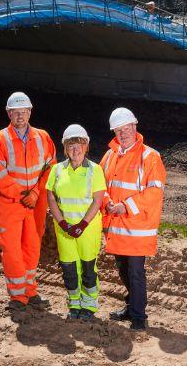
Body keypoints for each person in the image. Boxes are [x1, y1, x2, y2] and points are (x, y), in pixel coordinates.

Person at [0, 92, 56, 319]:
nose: (20, 116)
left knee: (32, 247)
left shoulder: (43, 137)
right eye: (16, 112)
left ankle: (30, 291)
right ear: (9, 114)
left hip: (35, 203)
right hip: (10, 204)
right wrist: (22, 195)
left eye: (24, 111)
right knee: (12, 250)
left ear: (30, 112)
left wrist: (36, 193)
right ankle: (17, 297)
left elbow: (50, 168)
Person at [100, 108, 166, 331]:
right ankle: (131, 307)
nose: (123, 133)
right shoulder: (110, 155)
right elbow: (101, 184)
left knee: (136, 272)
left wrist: (125, 206)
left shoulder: (150, 156)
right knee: (122, 268)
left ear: (135, 127)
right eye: (118, 130)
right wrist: (108, 202)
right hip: (116, 226)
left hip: (137, 228)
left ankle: (139, 316)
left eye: (126, 128)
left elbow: (154, 192)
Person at [46, 124, 106, 321]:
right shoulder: (56, 170)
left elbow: (98, 200)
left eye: (80, 144)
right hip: (65, 230)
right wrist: (63, 223)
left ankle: (89, 305)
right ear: (65, 148)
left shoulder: (95, 170)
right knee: (69, 269)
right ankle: (74, 304)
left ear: (86, 146)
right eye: (71, 145)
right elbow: (51, 197)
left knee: (88, 269)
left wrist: (82, 224)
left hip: (87, 230)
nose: (75, 149)